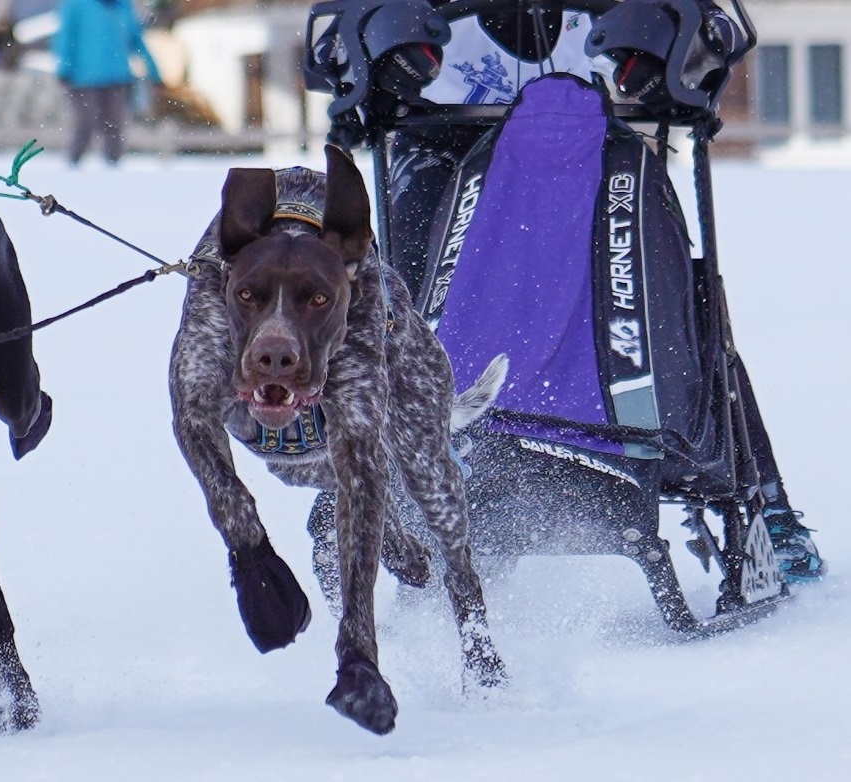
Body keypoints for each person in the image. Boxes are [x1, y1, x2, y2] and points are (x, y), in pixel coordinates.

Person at [307, 0, 824, 583]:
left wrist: (664, 53)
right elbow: (339, 40)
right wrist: (375, 59)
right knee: (409, 303)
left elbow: (706, 29)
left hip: (591, 141)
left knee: (671, 310)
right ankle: (405, 462)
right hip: (439, 140)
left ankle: (766, 507)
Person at [52, 0, 162, 166]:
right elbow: (66, 36)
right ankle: (73, 164)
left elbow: (136, 39)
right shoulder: (76, 5)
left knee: (114, 125)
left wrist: (153, 71)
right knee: (85, 123)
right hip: (83, 78)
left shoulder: (123, 5)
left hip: (117, 78)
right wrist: (64, 68)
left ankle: (113, 167)